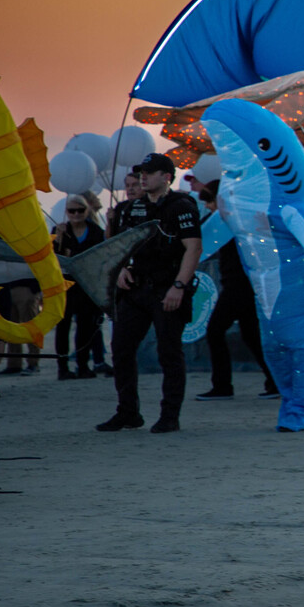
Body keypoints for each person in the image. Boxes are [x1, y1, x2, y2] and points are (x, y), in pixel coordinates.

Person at [95, 154, 202, 435]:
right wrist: (119, 270)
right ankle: (128, 412)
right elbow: (117, 246)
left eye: (150, 172)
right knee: (121, 349)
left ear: (166, 177)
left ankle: (170, 416)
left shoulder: (181, 206)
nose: (143, 177)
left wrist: (179, 286)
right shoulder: (130, 208)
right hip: (135, 288)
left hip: (167, 287)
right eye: (142, 172)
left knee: (169, 352)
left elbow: (193, 248)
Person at [193, 180, 278, 402]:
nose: (208, 206)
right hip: (243, 283)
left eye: (210, 201)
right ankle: (275, 381)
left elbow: (201, 234)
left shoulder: (230, 219)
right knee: (252, 335)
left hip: (238, 284)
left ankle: (222, 385)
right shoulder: (233, 218)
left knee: (215, 331)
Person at [51, 195, 106, 380]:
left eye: (80, 210)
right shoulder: (60, 231)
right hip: (65, 284)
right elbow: (53, 257)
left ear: (87, 211)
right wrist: (58, 239)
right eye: (72, 211)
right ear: (66, 212)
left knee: (85, 326)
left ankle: (83, 365)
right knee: (63, 326)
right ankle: (62, 367)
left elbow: (100, 256)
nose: (76, 214)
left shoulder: (96, 231)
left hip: (86, 284)